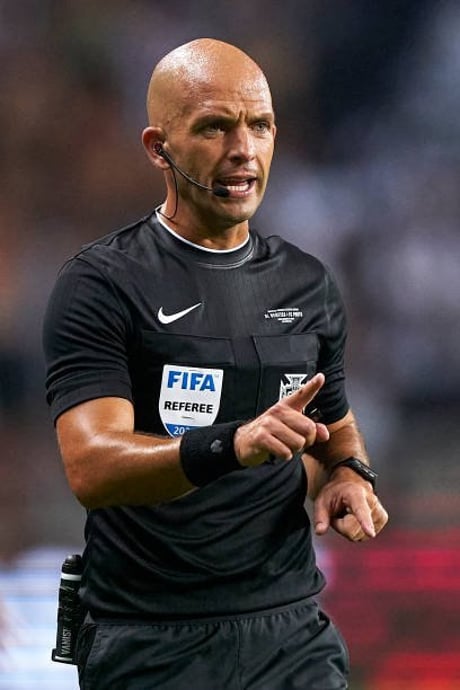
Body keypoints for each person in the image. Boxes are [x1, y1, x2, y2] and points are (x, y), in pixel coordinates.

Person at [43, 38, 388, 690]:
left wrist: (348, 473)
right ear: (159, 148)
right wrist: (231, 445)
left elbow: (334, 423)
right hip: (152, 640)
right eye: (214, 127)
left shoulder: (307, 283)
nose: (243, 149)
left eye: (260, 125)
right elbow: (91, 465)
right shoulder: (102, 284)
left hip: (289, 634)